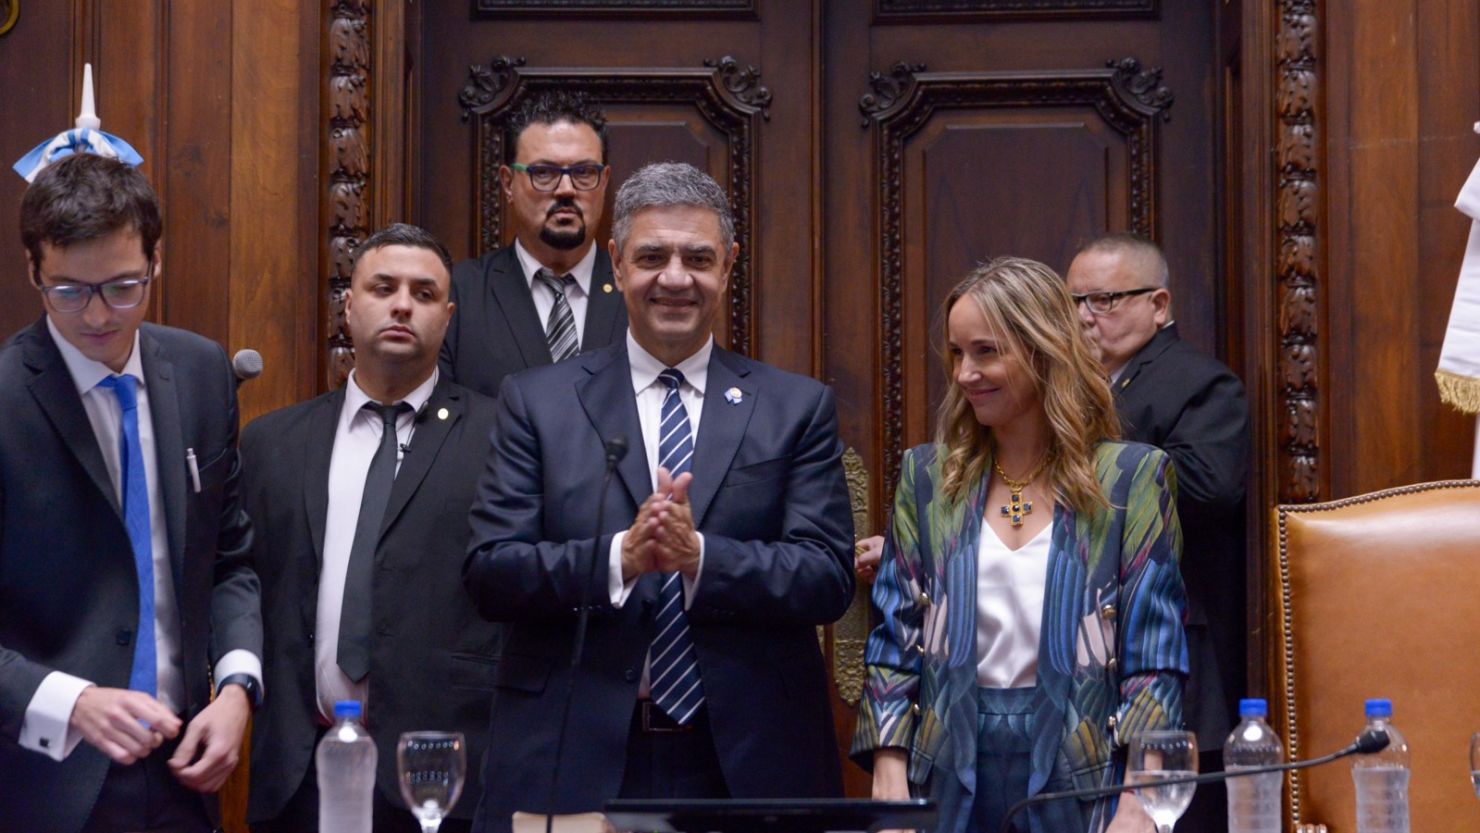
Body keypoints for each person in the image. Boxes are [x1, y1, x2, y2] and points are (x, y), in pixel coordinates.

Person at [463, 162, 854, 832]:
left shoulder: (796, 407)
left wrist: (700, 557)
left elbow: (826, 576)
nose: (675, 278)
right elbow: (491, 571)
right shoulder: (537, 402)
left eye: (698, 258)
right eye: (652, 257)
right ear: (617, 264)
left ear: (729, 266)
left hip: (749, 761)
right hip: (574, 755)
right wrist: (619, 557)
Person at [853, 256, 1188, 833]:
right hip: (945, 775)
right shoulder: (928, 479)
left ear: (1043, 350)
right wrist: (889, 787)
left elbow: (1153, 660)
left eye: (986, 352)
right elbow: (893, 647)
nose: (965, 374)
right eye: (957, 354)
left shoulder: (1131, 479)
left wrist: (1139, 804)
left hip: (1084, 777)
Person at [0, 152, 261, 833]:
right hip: (45, 781)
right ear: (33, 271)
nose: (97, 315)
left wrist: (237, 687)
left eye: (122, 287)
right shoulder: (5, 398)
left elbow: (230, 558)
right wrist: (70, 701)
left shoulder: (201, 371)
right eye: (68, 291)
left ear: (156, 262)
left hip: (186, 770)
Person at [242, 224, 500, 833]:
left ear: (447, 317)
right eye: (383, 288)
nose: (402, 305)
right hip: (299, 774)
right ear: (349, 306)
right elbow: (243, 586)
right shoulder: (272, 443)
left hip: (440, 776)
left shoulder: (499, 437)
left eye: (424, 293)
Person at [1065, 233, 1249, 833]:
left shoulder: (1199, 382)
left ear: (1159, 304)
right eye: (1073, 302)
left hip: (1173, 647)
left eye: (1104, 300)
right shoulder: (1064, 386)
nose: (1084, 317)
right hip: (1078, 649)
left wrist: (1089, 462)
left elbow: (1210, 488)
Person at [440, 90, 627, 397]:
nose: (566, 189)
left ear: (604, 181)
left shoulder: (640, 292)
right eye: (544, 173)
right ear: (507, 183)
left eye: (583, 173)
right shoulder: (459, 294)